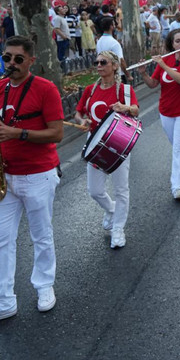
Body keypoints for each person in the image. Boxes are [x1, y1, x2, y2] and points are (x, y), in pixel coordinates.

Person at [0, 35, 64, 327]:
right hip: (4, 174)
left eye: (18, 59)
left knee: (41, 234)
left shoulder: (45, 89)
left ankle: (44, 284)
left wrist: (17, 134)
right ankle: (3, 300)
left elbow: (57, 133)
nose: (11, 64)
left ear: (31, 60)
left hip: (38, 173)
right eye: (6, 58)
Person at [74, 50, 139, 249]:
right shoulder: (90, 90)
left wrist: (125, 108)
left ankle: (118, 229)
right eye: (97, 62)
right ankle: (112, 210)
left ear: (114, 65)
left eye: (103, 62)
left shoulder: (124, 90)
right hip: (94, 141)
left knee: (121, 189)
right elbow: (78, 112)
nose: (99, 65)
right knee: (94, 190)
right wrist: (81, 120)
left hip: (118, 140)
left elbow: (136, 109)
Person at [138, 29, 180, 200]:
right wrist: (143, 72)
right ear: (172, 44)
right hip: (166, 111)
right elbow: (153, 84)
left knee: (179, 148)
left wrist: (164, 65)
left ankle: (178, 187)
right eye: (177, 41)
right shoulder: (167, 59)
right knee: (179, 146)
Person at [96, 17, 131, 83]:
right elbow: (121, 60)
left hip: (105, 73)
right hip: (117, 74)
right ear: (111, 27)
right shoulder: (114, 43)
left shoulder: (99, 41)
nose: (115, 26)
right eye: (114, 24)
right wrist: (128, 75)